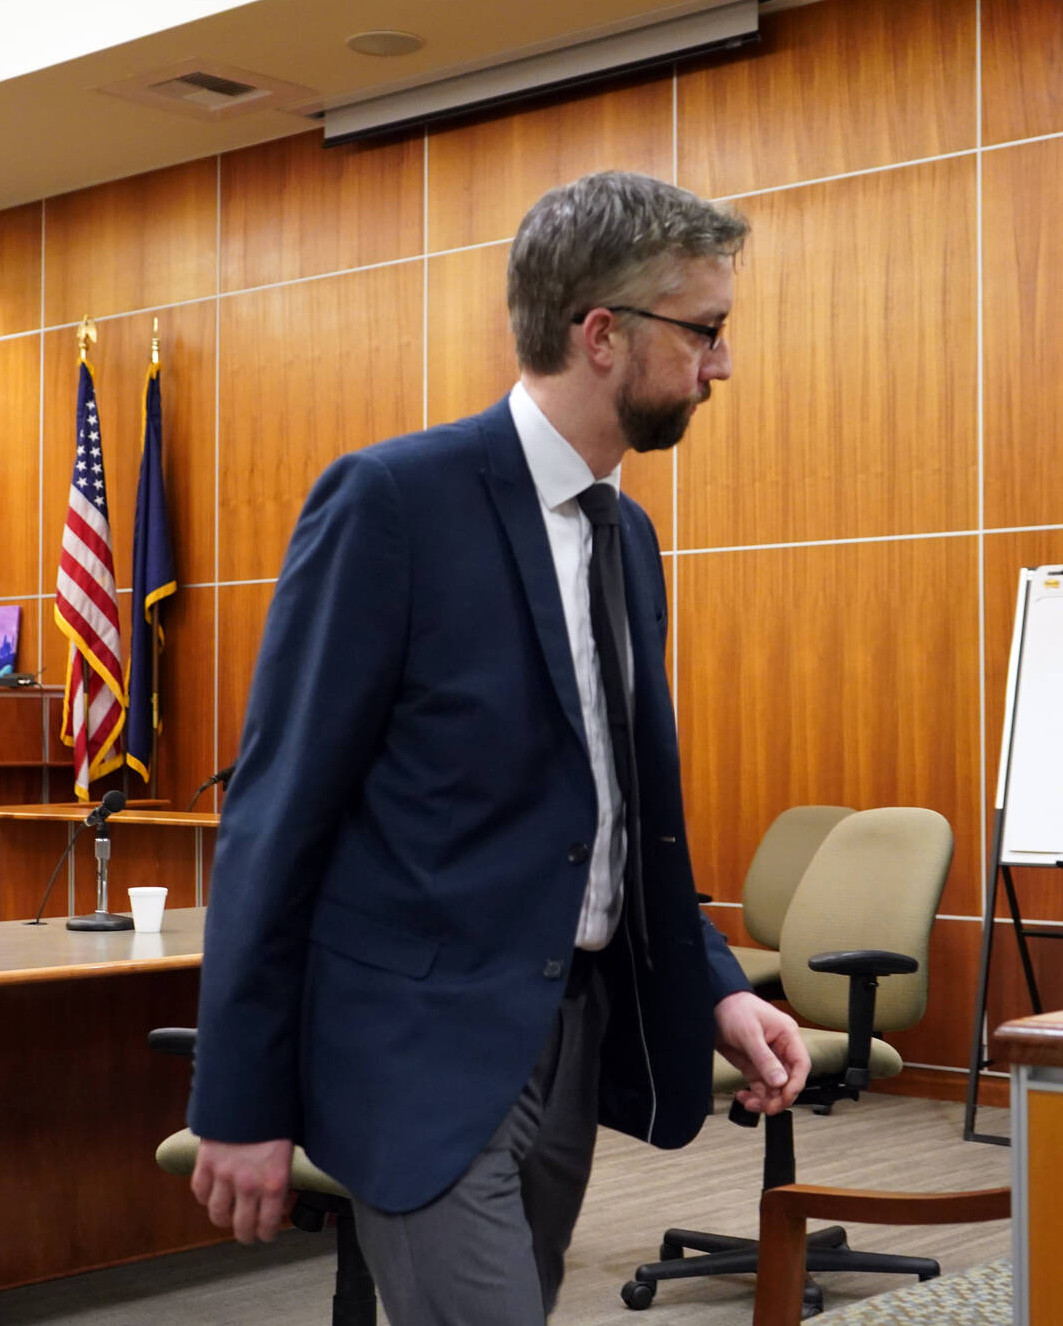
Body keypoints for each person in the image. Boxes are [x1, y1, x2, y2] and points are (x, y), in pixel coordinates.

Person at [189, 171, 810, 1324]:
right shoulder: (392, 502)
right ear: (602, 336)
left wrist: (718, 987)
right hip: (415, 1052)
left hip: (568, 1031)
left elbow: (618, 820)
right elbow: (278, 816)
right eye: (706, 332)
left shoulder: (627, 540)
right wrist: (237, 1095)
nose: (721, 365)